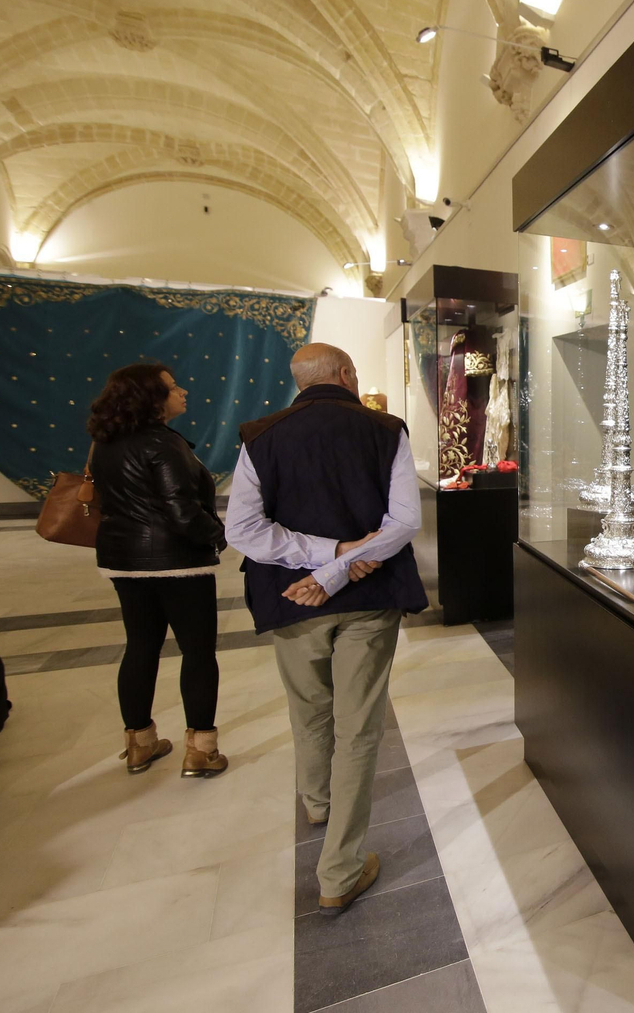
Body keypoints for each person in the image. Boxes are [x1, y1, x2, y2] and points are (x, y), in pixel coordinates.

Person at [225, 343, 427, 916]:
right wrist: (341, 559)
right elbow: (404, 522)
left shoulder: (259, 435)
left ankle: (318, 802)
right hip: (369, 597)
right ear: (346, 374)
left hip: (290, 596)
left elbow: (243, 530)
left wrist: (324, 563)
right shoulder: (385, 428)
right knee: (358, 728)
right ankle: (339, 871)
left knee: (309, 709)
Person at [88, 362, 229, 778]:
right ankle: (201, 751)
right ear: (151, 399)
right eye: (172, 387)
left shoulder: (105, 443)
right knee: (198, 653)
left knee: (140, 647)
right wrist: (218, 535)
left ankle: (139, 744)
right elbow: (182, 512)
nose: (182, 391)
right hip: (176, 562)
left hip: (123, 560)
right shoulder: (163, 444)